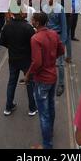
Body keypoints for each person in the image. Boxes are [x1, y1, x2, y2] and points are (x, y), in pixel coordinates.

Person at [25, 13, 64, 149]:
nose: (31, 21)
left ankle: (47, 145)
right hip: (53, 76)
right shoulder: (54, 34)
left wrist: (28, 75)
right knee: (51, 106)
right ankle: (50, 132)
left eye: (32, 20)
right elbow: (61, 50)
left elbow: (36, 62)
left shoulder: (35, 38)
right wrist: (51, 59)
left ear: (36, 22)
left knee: (43, 113)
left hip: (42, 80)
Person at [0, 12, 37, 116]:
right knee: (29, 83)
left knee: (12, 82)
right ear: (21, 13)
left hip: (13, 59)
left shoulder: (7, 26)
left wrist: (12, 47)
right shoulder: (28, 28)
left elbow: (2, 42)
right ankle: (32, 108)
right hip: (26, 60)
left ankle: (8, 107)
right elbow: (34, 43)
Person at [43, 0, 67, 97]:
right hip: (46, 37)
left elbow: (64, 26)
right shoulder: (44, 7)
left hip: (57, 36)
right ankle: (48, 81)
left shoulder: (60, 8)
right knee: (47, 61)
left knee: (60, 63)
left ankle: (61, 84)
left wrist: (62, 41)